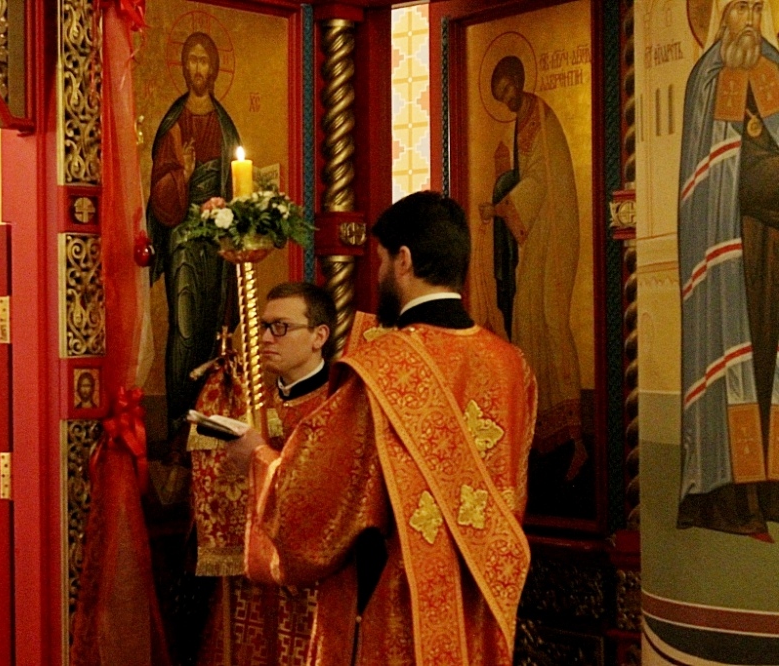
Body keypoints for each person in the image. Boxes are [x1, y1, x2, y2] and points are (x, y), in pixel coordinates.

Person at [230, 192, 538, 665]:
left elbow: (318, 501)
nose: (377, 275)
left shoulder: (381, 368)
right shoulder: (512, 365)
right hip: (478, 601)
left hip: (398, 608)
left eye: (380, 261)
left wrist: (258, 457)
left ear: (404, 261)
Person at [677, 0, 779, 536]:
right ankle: (735, 500)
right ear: (720, 15)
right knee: (737, 365)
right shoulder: (709, 78)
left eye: (757, 7)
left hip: (773, 249)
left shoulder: (774, 69)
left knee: (769, 366)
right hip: (730, 256)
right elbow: (714, 177)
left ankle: (771, 490)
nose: (750, 18)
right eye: (740, 6)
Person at [193, 282, 335, 666]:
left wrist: (258, 456)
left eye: (281, 327)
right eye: (263, 326)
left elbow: (320, 497)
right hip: (252, 584)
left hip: (309, 586)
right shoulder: (252, 403)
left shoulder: (338, 408)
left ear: (319, 336)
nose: (266, 338)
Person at [478, 55, 585, 480]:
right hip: (537, 234)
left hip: (555, 232)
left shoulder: (540, 115)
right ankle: (542, 430)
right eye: (499, 96)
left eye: (507, 90)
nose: (506, 100)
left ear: (519, 81)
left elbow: (542, 180)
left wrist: (500, 207)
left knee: (552, 319)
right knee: (526, 315)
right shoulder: (521, 121)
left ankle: (576, 437)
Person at [147, 31, 242, 448]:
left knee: (211, 328)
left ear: (214, 68)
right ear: (184, 67)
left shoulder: (224, 124)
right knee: (184, 328)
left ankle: (208, 422)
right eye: (193, 60)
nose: (199, 68)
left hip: (216, 241)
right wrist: (181, 174)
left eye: (205, 61)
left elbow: (236, 187)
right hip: (183, 238)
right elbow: (161, 197)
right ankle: (177, 424)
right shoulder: (173, 122)